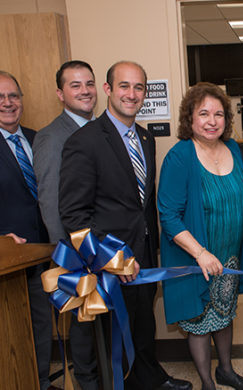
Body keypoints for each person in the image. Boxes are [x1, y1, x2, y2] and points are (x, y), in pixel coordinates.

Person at [59, 61, 191, 390]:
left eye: (138, 87)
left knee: (143, 323)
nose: (132, 94)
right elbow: (73, 215)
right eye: (124, 86)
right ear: (108, 90)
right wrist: (110, 258)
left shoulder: (145, 138)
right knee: (116, 333)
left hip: (143, 253)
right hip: (110, 262)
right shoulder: (84, 141)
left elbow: (141, 205)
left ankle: (150, 377)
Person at [157, 82, 243, 390]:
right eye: (203, 114)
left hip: (228, 254)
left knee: (225, 313)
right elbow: (168, 215)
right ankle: (206, 382)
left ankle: (226, 371)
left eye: (218, 114)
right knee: (199, 319)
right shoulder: (180, 156)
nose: (212, 121)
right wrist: (200, 252)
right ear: (190, 119)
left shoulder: (233, 150)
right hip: (194, 255)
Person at [33, 60, 99, 389]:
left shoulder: (101, 129)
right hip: (77, 256)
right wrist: (73, 258)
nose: (84, 90)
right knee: (84, 329)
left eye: (89, 83)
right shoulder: (50, 138)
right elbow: (50, 204)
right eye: (75, 85)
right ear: (61, 93)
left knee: (104, 328)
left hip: (103, 252)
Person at [0, 71, 55, 390]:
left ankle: (41, 382)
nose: (8, 103)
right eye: (1, 97)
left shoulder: (38, 139)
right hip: (8, 260)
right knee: (12, 333)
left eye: (13, 96)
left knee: (40, 325)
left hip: (42, 254)